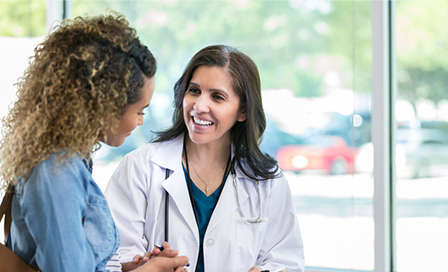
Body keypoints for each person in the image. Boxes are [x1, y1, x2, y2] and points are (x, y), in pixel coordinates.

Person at [0, 12, 188, 272]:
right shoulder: (56, 171)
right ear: (106, 107)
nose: (141, 121)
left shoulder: (68, 160)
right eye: (139, 111)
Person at [105, 45, 305, 272]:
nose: (199, 106)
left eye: (217, 97)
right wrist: (147, 266)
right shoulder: (140, 167)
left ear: (243, 111)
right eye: (194, 91)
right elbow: (111, 257)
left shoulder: (267, 180)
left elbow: (286, 262)